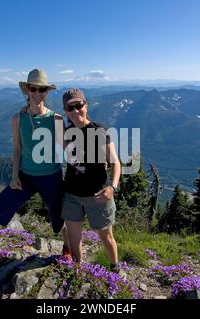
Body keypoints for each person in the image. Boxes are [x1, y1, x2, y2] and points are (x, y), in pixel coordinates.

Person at [0, 69, 69, 288]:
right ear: (27, 91)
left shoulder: (57, 119)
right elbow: (17, 149)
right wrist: (14, 176)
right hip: (25, 177)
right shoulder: (18, 119)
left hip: (51, 176)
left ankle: (67, 250)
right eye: (33, 89)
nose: (37, 93)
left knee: (61, 221)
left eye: (42, 89)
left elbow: (66, 149)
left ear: (47, 93)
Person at [61, 89, 123, 274]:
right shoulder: (66, 132)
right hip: (72, 194)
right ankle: (77, 271)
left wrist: (112, 187)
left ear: (86, 106)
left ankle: (115, 269)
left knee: (106, 237)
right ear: (65, 110)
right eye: (70, 107)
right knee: (74, 238)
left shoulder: (99, 130)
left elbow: (115, 162)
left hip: (99, 194)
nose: (75, 110)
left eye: (79, 105)